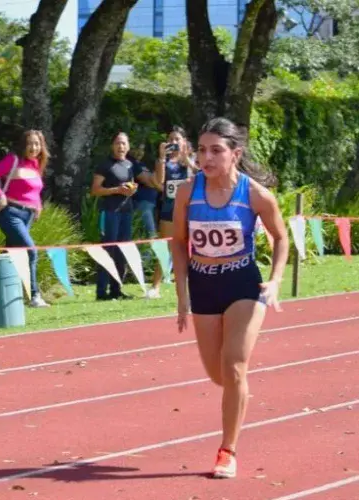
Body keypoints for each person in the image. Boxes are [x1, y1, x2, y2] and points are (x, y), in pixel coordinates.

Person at [171, 117, 288, 479]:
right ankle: (238, 394)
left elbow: (281, 238)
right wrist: (181, 294)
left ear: (235, 154)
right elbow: (178, 241)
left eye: (216, 151)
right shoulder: (188, 192)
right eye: (202, 150)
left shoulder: (255, 195)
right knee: (219, 374)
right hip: (204, 284)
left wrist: (275, 281)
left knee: (235, 364)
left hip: (243, 285)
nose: (207, 157)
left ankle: (227, 451)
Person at [0, 129, 51, 308]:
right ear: (23, 145)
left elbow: (35, 190)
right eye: (30, 144)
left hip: (28, 215)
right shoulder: (13, 160)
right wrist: (0, 195)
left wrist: (38, 206)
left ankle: (3, 296)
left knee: (11, 255)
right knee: (31, 250)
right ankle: (34, 295)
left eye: (37, 144)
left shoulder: (36, 164)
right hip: (10, 213)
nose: (34, 147)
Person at [149, 126, 197, 298]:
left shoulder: (193, 159)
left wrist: (186, 158)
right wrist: (162, 158)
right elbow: (159, 181)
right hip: (169, 210)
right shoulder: (165, 162)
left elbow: (200, 174)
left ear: (185, 142)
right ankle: (155, 287)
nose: (174, 142)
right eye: (170, 139)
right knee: (165, 247)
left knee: (192, 248)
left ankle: (195, 286)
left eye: (177, 139)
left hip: (191, 211)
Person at [91, 132, 138, 300]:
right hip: (110, 212)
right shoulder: (105, 165)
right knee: (107, 250)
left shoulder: (129, 165)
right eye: (118, 143)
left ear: (128, 146)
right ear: (112, 145)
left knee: (121, 252)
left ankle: (116, 290)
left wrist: (132, 189)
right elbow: (95, 190)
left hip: (126, 212)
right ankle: (101, 292)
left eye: (124, 143)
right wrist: (116, 190)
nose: (121, 147)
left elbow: (130, 184)